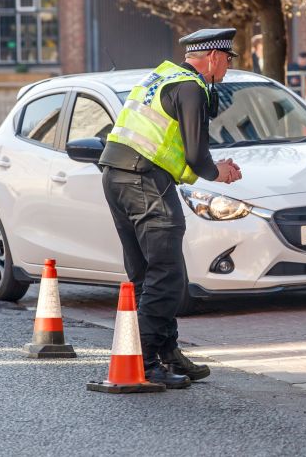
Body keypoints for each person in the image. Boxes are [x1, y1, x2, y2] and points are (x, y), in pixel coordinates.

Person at [99, 28, 243, 389]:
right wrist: (218, 172)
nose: (227, 68)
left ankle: (166, 351)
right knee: (167, 274)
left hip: (117, 178)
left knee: (148, 274)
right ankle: (146, 362)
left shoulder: (160, 76)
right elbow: (196, 154)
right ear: (212, 57)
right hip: (145, 181)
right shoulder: (191, 87)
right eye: (227, 60)